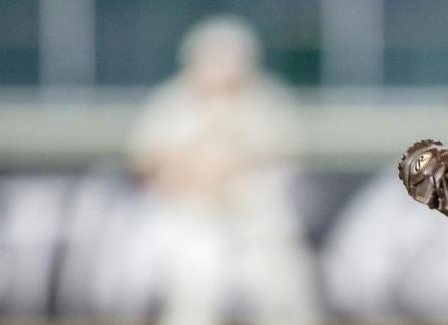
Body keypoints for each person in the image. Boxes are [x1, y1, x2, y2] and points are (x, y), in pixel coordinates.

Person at [129, 16, 320, 325]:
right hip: (189, 223)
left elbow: (286, 167)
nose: (224, 71)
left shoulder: (269, 102)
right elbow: (148, 166)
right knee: (197, 284)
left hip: (256, 226)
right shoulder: (170, 102)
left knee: (283, 285)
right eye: (215, 61)